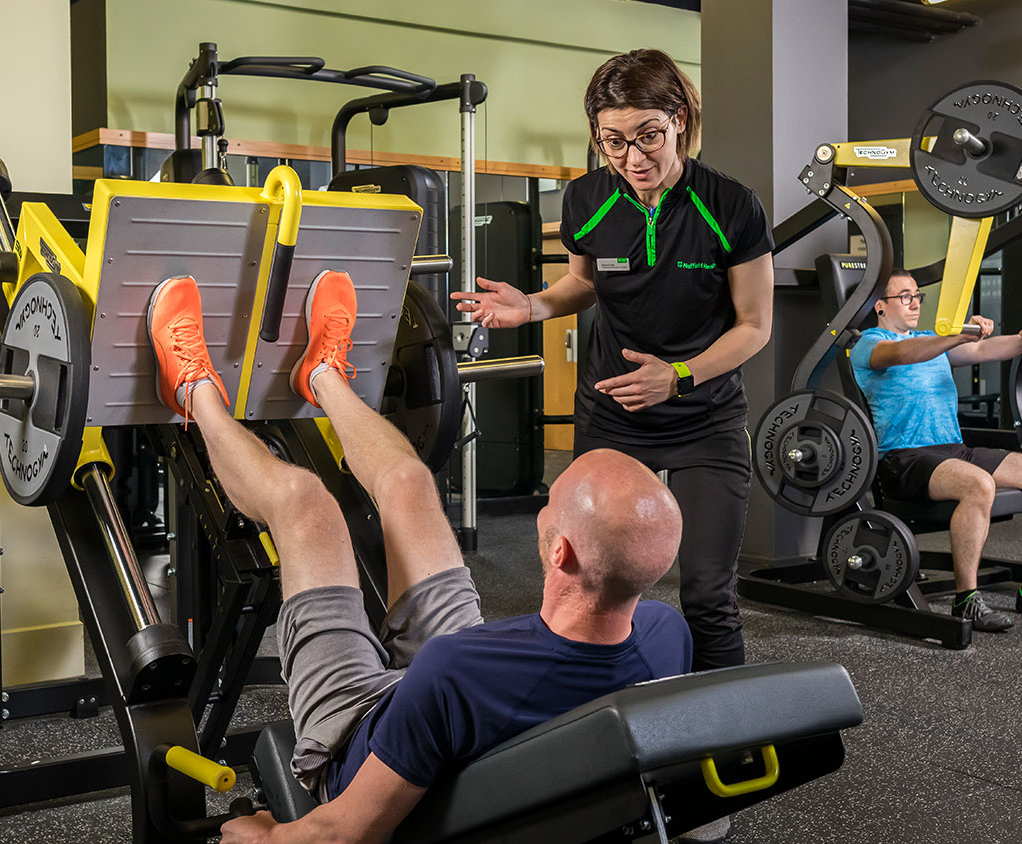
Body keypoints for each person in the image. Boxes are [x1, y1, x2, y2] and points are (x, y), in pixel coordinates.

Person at [144, 270, 691, 844]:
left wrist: (263, 836)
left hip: (358, 732)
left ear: (560, 551)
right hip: (471, 700)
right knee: (408, 481)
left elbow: (341, 834)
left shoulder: (454, 673)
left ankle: (193, 389)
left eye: (552, 500)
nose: (544, 505)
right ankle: (322, 375)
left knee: (304, 502)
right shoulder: (665, 633)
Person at [452, 48, 774, 679]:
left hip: (705, 420)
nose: (633, 158)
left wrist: (677, 376)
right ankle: (586, 712)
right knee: (586, 585)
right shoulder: (586, 199)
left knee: (708, 597)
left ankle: (723, 726)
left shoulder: (732, 204)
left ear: (679, 120)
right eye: (613, 142)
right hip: (613, 419)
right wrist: (534, 306)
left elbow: (755, 326)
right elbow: (584, 282)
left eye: (649, 136)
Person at [850, 270, 1022, 632]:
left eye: (917, 295)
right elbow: (901, 353)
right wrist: (956, 335)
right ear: (880, 306)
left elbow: (985, 349)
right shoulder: (868, 344)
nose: (915, 303)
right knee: (979, 484)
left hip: (954, 450)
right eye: (904, 296)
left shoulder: (930, 340)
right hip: (906, 458)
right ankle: (966, 601)